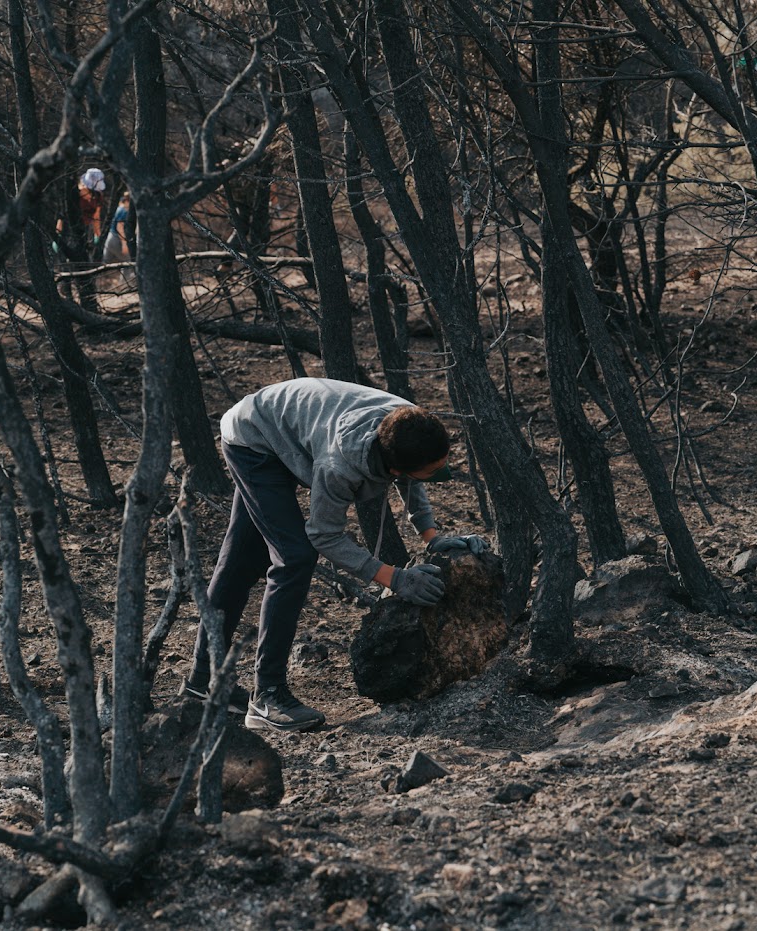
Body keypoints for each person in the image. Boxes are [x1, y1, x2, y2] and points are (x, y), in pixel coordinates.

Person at [183, 378, 488, 732]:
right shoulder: (339, 465)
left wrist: (432, 536)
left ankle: (201, 683)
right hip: (254, 438)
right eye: (433, 469)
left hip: (287, 427)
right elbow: (324, 536)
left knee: (241, 558)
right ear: (393, 469)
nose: (440, 472)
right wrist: (395, 578)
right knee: (294, 557)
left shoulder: (408, 424)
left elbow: (413, 478)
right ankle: (267, 695)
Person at [101, 191, 136, 291]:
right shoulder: (124, 211)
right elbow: (120, 226)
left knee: (104, 262)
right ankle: (124, 286)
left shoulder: (118, 209)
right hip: (116, 239)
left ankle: (98, 284)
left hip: (109, 238)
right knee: (127, 262)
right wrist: (124, 244)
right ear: (128, 201)